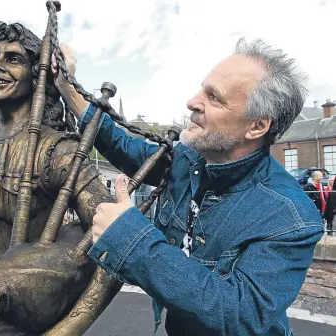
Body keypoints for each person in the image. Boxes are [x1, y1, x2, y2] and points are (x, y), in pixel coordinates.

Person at [53, 39, 324, 335]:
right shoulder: (187, 158)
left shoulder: (291, 218)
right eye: (201, 89)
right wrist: (67, 85)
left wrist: (130, 239)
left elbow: (239, 314)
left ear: (257, 126)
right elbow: (122, 145)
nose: (192, 102)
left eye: (214, 97)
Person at [0, 2, 124, 334]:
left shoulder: (56, 152)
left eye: (13, 59)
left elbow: (117, 243)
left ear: (37, 73)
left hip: (26, 322)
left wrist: (70, 327)